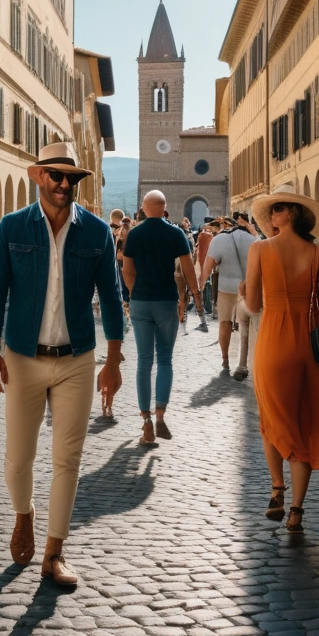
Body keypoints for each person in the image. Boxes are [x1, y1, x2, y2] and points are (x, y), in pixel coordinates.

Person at [0, 142, 124, 587]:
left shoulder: (97, 232)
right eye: (56, 176)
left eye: (73, 178)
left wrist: (113, 360)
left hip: (77, 359)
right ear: (37, 175)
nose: (65, 185)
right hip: (22, 356)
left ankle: (54, 553)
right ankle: (23, 515)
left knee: (69, 458)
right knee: (18, 458)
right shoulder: (11, 227)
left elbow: (113, 298)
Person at [245, 183, 319, 533]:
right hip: (310, 342)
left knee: (271, 419)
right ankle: (296, 511)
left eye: (276, 209)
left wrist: (248, 292)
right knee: (305, 420)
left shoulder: (260, 249)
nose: (271, 216)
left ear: (288, 213)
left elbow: (254, 306)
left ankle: (277, 487)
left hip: (274, 341)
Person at [123, 190, 206, 445]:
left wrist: (134, 294)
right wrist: (195, 292)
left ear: (144, 209)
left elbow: (128, 271)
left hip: (140, 301)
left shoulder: (135, 233)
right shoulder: (176, 233)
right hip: (166, 301)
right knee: (166, 360)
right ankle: (160, 415)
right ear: (164, 208)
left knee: (144, 362)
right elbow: (189, 267)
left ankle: (146, 422)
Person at [200, 216, 257, 376]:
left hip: (226, 287)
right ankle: (244, 361)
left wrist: (202, 284)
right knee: (247, 325)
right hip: (248, 287)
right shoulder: (252, 239)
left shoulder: (219, 240)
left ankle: (225, 359)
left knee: (225, 323)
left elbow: (209, 264)